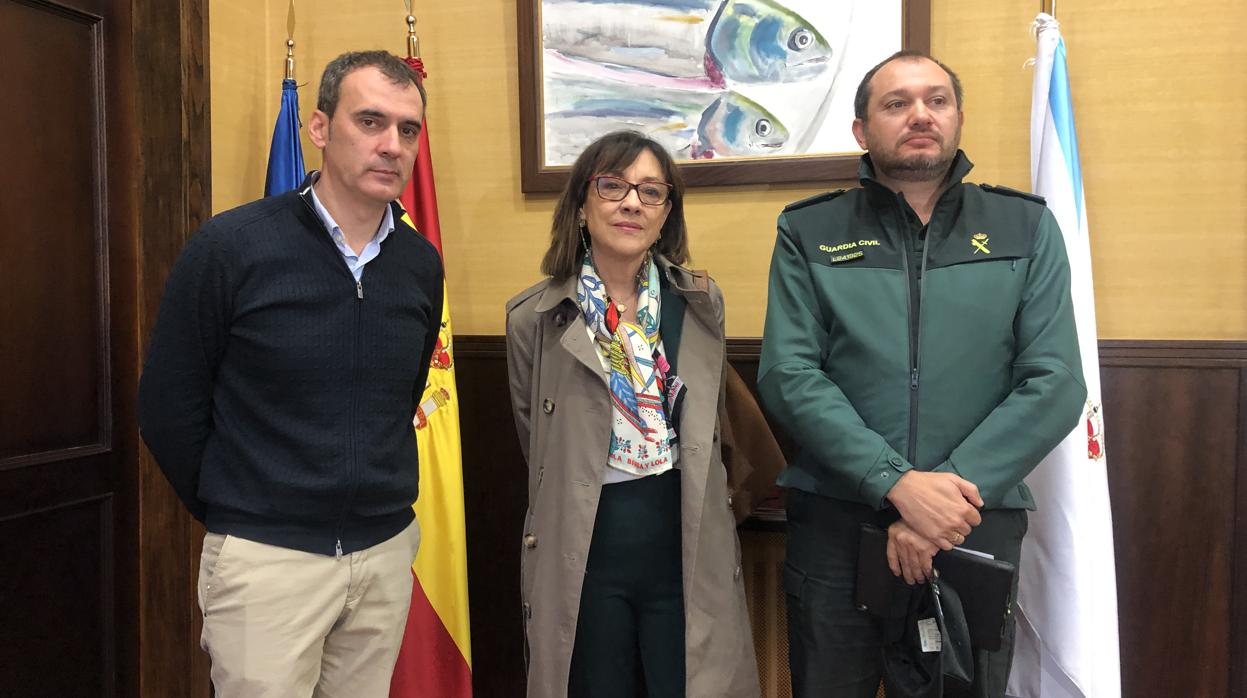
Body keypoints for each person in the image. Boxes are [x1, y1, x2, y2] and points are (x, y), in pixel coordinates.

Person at [757, 50, 1086, 698]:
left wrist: (943, 498)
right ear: (860, 129)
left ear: (957, 117)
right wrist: (897, 485)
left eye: (935, 100)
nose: (919, 115)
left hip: (973, 523)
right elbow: (789, 374)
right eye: (895, 102)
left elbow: (1055, 382)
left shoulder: (1025, 226)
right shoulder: (808, 229)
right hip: (836, 526)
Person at [138, 50, 442, 697]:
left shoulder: (419, 265)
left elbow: (400, 398)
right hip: (266, 561)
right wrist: (245, 507)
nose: (392, 145)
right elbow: (168, 406)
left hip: (381, 555)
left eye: (407, 129)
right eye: (370, 121)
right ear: (320, 128)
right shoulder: (232, 247)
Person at [505, 130, 760, 698]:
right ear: (580, 204)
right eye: (612, 185)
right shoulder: (534, 318)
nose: (631, 203)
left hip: (683, 534)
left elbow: (708, 423)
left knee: (692, 682)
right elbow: (537, 442)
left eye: (651, 191)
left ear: (667, 214)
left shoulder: (699, 302)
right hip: (587, 542)